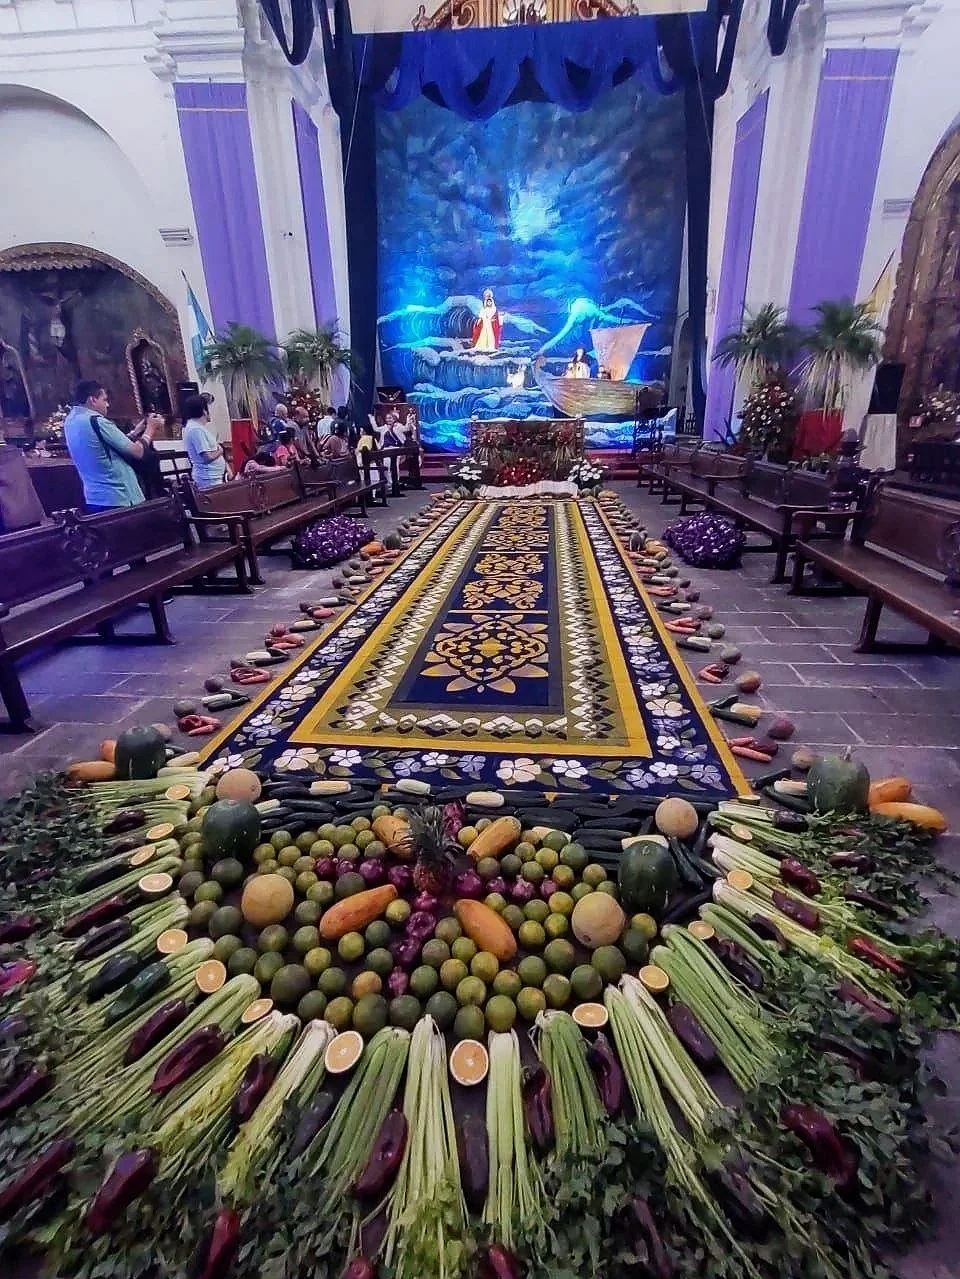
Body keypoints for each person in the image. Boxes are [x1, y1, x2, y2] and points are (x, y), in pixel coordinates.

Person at [64, 380, 161, 511]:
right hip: (118, 496)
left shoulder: (71, 421)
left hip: (95, 497)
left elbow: (105, 446)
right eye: (104, 400)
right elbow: (138, 452)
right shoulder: (96, 420)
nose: (107, 404)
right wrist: (151, 429)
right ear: (92, 400)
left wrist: (136, 432)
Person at [181, 394, 227, 489]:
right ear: (204, 411)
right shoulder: (195, 429)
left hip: (215, 477)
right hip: (209, 479)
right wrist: (221, 451)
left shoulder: (197, 427)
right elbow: (207, 457)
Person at [472, 288, 501, 352]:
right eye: (488, 302)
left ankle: (491, 346)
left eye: (490, 302)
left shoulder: (494, 309)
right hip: (484, 324)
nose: (489, 303)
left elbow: (496, 318)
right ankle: (482, 346)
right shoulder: (483, 309)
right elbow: (481, 316)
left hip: (491, 325)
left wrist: (492, 320)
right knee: (483, 335)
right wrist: (482, 319)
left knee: (490, 335)